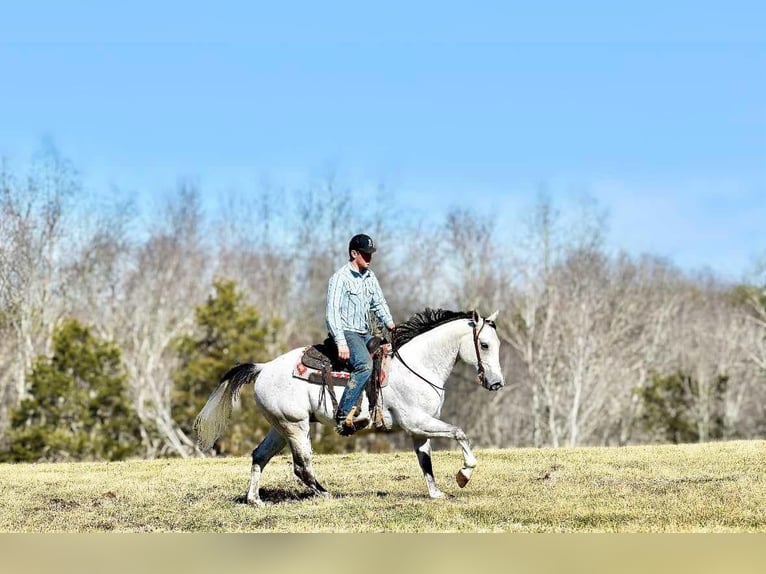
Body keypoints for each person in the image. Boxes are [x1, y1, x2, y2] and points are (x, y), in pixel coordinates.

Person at [326, 233, 395, 435]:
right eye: (365, 254)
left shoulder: (370, 277)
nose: (369, 258)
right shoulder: (340, 279)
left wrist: (390, 323)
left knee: (386, 354)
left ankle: (375, 409)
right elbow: (332, 313)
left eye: (370, 254)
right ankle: (343, 414)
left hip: (365, 332)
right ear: (353, 253)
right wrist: (341, 342)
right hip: (346, 332)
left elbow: (378, 302)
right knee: (364, 364)